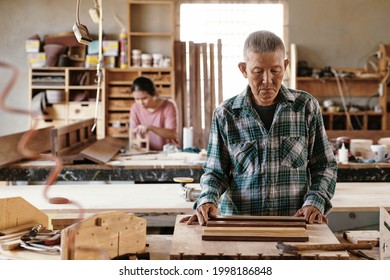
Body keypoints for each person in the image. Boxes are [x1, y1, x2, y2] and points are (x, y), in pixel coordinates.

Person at [182, 30, 337, 226]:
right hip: (240, 226)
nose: (267, 80)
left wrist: (315, 201)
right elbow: (216, 172)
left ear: (286, 66)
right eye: (258, 72)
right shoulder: (226, 114)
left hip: (294, 224)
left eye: (275, 70)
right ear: (244, 69)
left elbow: (324, 165)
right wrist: (207, 199)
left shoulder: (305, 107)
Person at [129, 76, 178, 151]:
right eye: (137, 99)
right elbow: (133, 134)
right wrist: (135, 149)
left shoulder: (168, 105)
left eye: (144, 98)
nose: (141, 103)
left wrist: (151, 128)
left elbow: (171, 134)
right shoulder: (135, 108)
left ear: (153, 94)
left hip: (168, 152)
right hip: (145, 153)